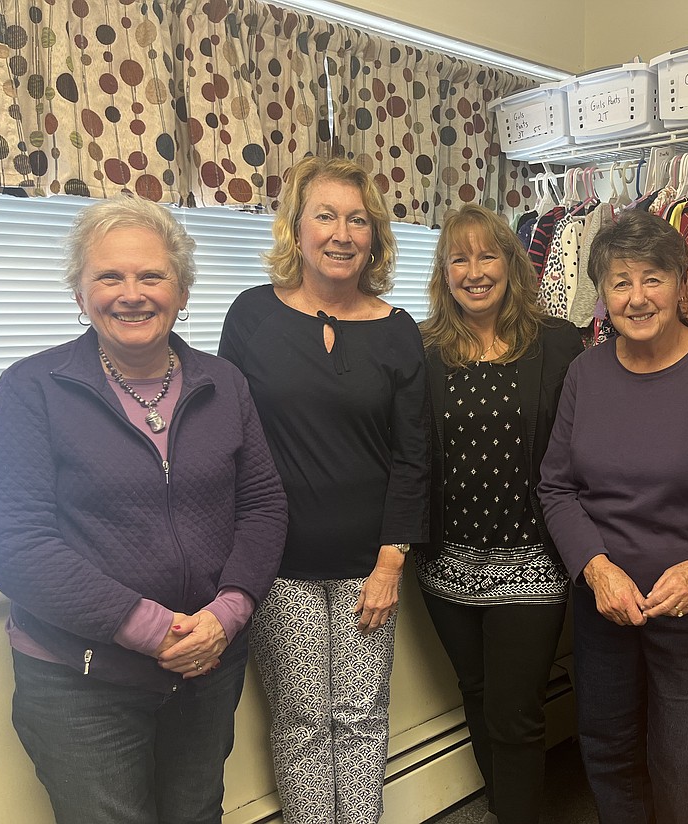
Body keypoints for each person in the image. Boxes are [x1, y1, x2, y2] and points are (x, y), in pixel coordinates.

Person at [0, 195, 288, 824]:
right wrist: (150, 627)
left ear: (182, 288)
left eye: (152, 275)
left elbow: (262, 504)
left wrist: (226, 615)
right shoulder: (32, 387)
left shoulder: (224, 384)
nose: (131, 293)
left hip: (206, 661)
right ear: (80, 292)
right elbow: (13, 538)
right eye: (108, 276)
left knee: (196, 813)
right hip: (80, 679)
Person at [218, 156, 430, 824]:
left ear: (375, 235)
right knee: (304, 719)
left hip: (371, 564)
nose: (342, 233)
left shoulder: (397, 330)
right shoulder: (252, 315)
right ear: (297, 227)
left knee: (363, 717)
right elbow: (229, 438)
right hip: (280, 566)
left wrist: (393, 559)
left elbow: (414, 454)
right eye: (326, 215)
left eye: (358, 219)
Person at [538, 208, 688, 823]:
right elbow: (556, 487)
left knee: (687, 766)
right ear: (602, 294)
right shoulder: (585, 373)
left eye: (651, 278)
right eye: (619, 282)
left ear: (681, 282)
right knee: (608, 753)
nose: (636, 298)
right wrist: (595, 569)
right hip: (604, 606)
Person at [415, 204, 583, 824]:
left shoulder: (560, 343)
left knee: (515, 712)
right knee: (479, 697)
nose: (475, 271)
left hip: (534, 563)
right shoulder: (424, 350)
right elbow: (407, 449)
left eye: (488, 256)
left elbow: (584, 444)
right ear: (444, 272)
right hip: (448, 565)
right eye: (460, 258)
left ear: (512, 265)